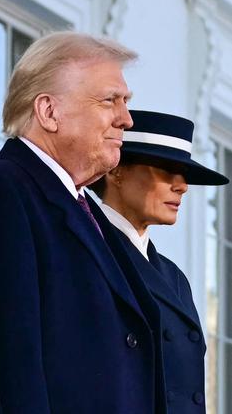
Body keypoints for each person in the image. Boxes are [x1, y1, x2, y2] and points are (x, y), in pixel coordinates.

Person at [0, 32, 167, 413]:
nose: (126, 119)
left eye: (125, 102)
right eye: (109, 101)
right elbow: (11, 363)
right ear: (49, 112)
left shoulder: (87, 208)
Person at [89, 109, 228, 413]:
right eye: (166, 169)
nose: (182, 186)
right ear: (116, 170)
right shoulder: (87, 252)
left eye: (185, 174)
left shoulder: (174, 278)